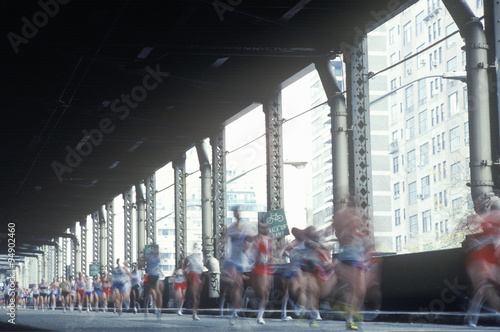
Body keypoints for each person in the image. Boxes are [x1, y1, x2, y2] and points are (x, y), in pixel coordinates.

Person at [333, 203, 372, 331]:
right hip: (348, 261)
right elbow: (341, 236)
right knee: (354, 289)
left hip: (358, 263)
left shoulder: (360, 235)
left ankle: (351, 314)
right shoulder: (346, 234)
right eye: (354, 221)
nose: (357, 222)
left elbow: (367, 247)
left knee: (360, 291)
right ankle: (350, 318)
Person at [464, 210, 500, 326]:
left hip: (493, 256)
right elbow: (474, 221)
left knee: (489, 290)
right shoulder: (490, 218)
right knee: (482, 289)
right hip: (484, 257)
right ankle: (471, 317)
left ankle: (471, 316)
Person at [220, 206, 249, 325]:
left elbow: (249, 242)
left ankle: (234, 309)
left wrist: (247, 247)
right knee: (235, 284)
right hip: (232, 259)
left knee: (239, 287)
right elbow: (223, 239)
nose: (238, 214)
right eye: (236, 212)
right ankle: (233, 309)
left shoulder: (245, 227)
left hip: (241, 260)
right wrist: (221, 245)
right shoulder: (230, 228)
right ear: (234, 214)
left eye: (239, 212)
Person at [251, 220, 274, 324]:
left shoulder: (269, 240)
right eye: (261, 227)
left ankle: (260, 315)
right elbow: (249, 252)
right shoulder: (254, 240)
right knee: (262, 291)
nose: (263, 229)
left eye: (264, 227)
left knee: (266, 292)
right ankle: (259, 314)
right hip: (258, 267)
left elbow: (272, 253)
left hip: (268, 267)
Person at [186, 243, 207, 321]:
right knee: (195, 296)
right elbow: (184, 268)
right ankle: (194, 313)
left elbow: (202, 268)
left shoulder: (199, 258)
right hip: (193, 276)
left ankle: (195, 312)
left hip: (199, 276)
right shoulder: (189, 258)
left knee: (197, 297)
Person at [145, 250, 164, 318]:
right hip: (150, 277)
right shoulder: (150, 258)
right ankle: (147, 307)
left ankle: (158, 309)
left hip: (156, 277)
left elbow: (158, 266)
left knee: (157, 294)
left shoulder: (157, 259)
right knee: (150, 294)